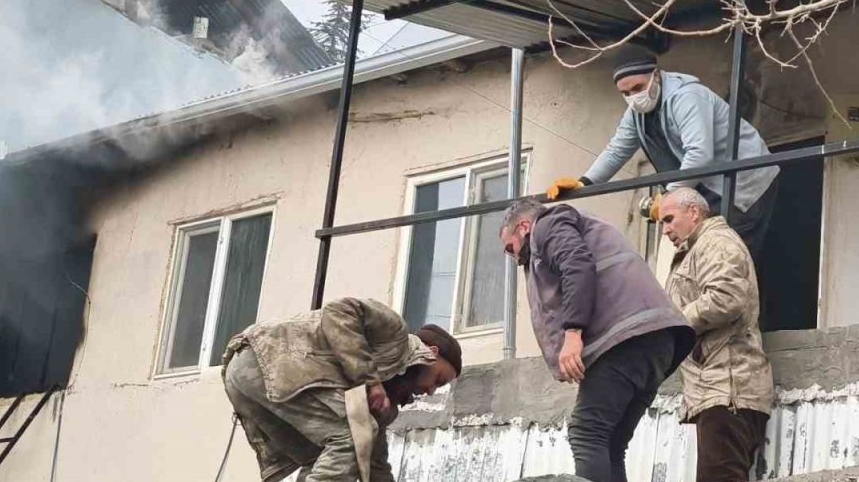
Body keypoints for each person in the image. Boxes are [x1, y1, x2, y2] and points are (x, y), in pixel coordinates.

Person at [499, 198, 694, 482]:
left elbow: (576, 264)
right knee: (611, 443)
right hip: (657, 341)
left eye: (510, 247)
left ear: (524, 226)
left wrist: (573, 333)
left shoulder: (546, 226)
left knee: (587, 433)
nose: (514, 257)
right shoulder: (572, 226)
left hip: (627, 338)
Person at [546, 45, 780, 261]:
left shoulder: (687, 97)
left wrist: (668, 198)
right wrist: (584, 183)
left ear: (656, 75)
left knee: (729, 259)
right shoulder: (636, 113)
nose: (633, 97)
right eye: (625, 93)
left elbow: (700, 153)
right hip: (705, 188)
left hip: (744, 184)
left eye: (637, 88)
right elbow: (616, 150)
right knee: (702, 259)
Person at [221, 297, 461, 482]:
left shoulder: (383, 400)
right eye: (438, 380)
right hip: (265, 360)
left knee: (324, 456)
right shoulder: (394, 333)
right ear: (432, 353)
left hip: (244, 379)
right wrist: (370, 380)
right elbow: (338, 311)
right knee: (349, 436)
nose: (431, 391)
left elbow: (374, 459)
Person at [658, 188, 775, 482]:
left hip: (728, 388)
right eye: (661, 223)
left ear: (694, 213)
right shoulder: (698, 248)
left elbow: (726, 298)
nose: (665, 230)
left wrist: (674, 323)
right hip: (719, 390)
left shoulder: (716, 242)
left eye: (670, 219)